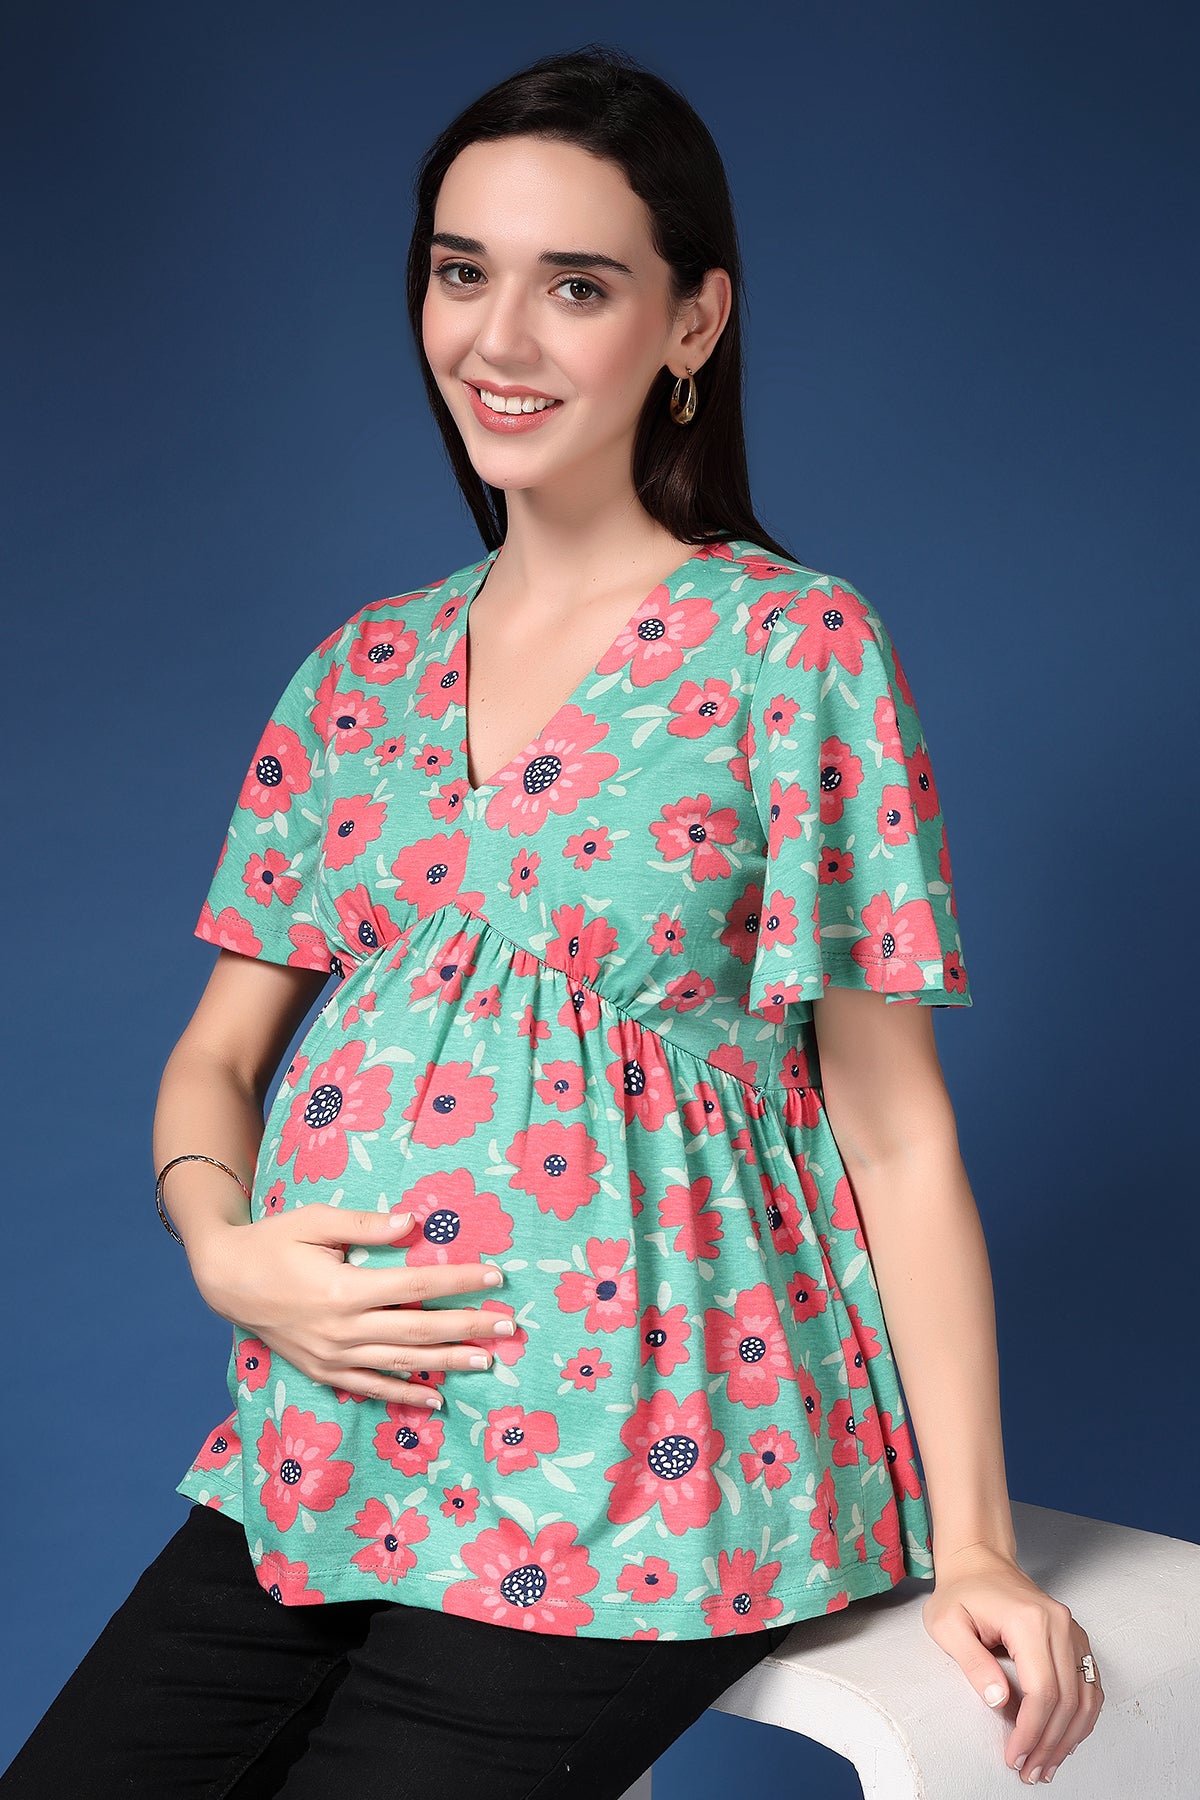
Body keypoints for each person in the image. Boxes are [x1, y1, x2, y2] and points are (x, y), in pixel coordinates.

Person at [1, 41, 1103, 1800]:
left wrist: (975, 1543)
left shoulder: (791, 649)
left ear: (691, 321)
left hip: (645, 1473)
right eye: (463, 273)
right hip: (333, 1448)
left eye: (575, 285)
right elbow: (216, 1058)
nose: (498, 340)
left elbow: (893, 1128)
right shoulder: (357, 669)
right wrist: (222, 1248)